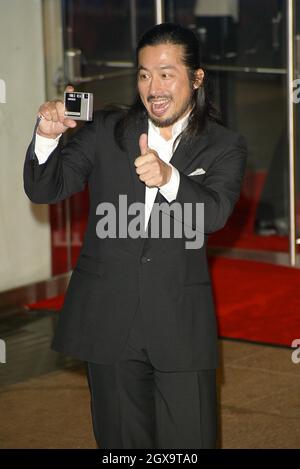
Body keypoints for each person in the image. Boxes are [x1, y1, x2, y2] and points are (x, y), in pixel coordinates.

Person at [24, 23, 247, 449]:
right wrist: (48, 138)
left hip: (179, 324)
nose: (153, 86)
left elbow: (215, 213)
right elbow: (45, 188)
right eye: (144, 74)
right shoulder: (108, 129)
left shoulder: (223, 144)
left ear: (196, 78)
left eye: (166, 73)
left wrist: (168, 179)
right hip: (110, 320)